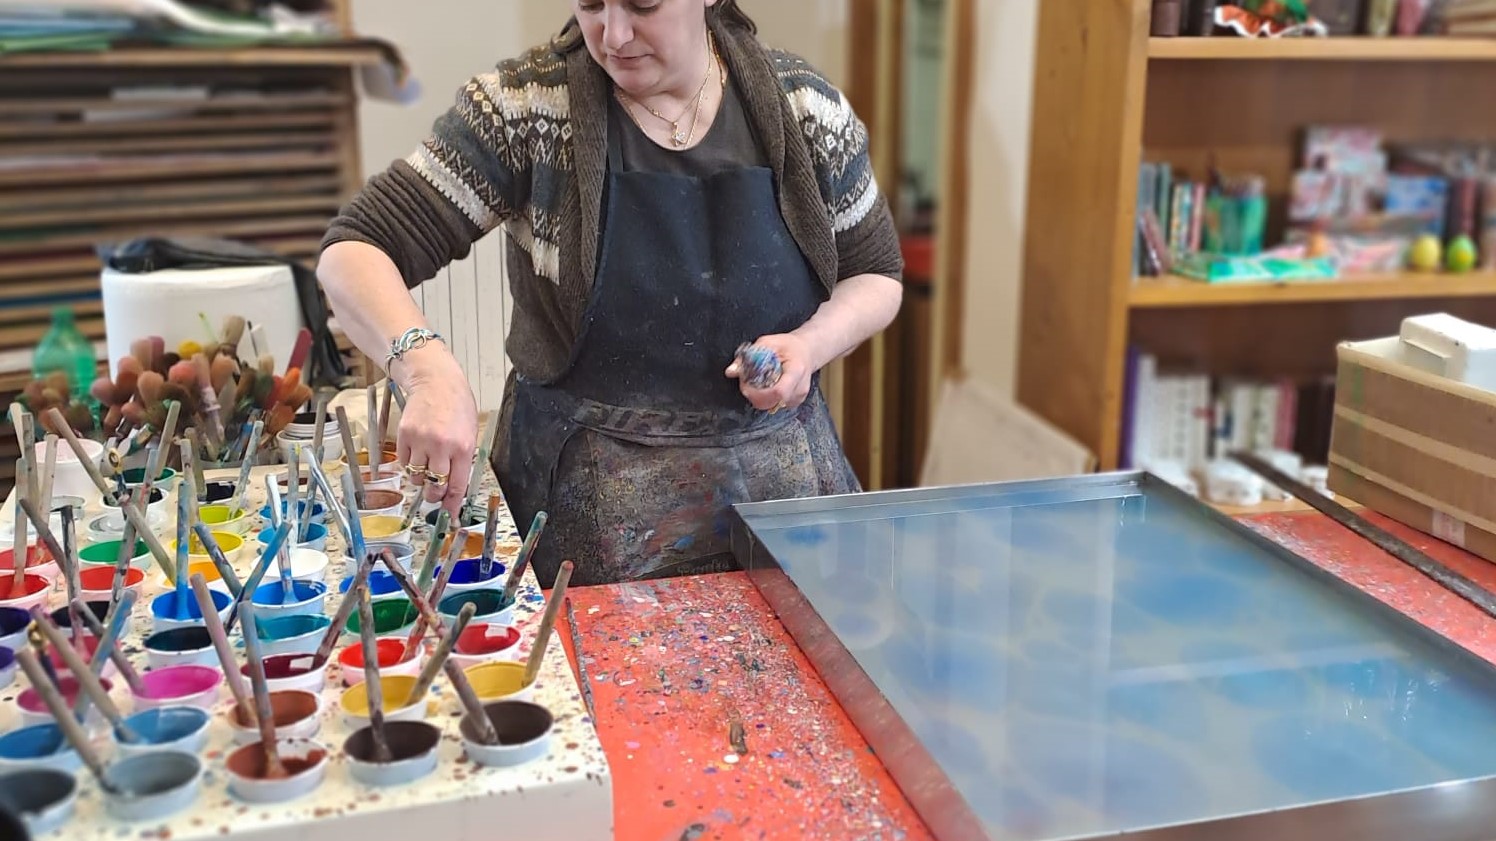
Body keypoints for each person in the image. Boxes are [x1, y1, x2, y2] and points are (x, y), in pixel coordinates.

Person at [318, 0, 904, 587]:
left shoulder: (804, 109)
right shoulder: (524, 112)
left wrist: (808, 345)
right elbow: (356, 249)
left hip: (784, 504)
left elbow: (875, 273)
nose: (614, 35)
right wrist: (426, 371)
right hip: (589, 520)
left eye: (642, 4)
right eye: (592, 4)